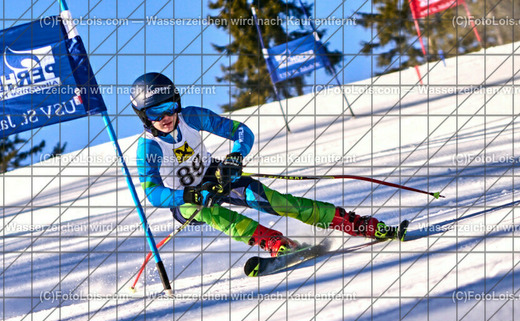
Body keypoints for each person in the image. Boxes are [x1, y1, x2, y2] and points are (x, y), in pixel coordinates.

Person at [131, 72, 405, 258]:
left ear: (177, 102)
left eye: (169, 106)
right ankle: (274, 242)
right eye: (155, 112)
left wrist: (236, 156)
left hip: (216, 176)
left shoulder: (191, 117)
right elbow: (154, 194)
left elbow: (241, 131)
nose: (165, 117)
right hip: (185, 198)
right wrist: (190, 194)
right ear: (144, 116)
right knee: (210, 212)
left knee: (272, 201)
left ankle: (357, 224)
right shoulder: (148, 148)